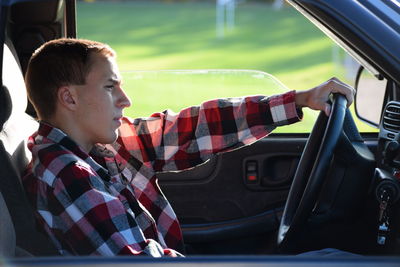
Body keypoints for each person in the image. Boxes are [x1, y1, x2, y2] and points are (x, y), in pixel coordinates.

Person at [22, 38, 355, 257]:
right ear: (69, 98)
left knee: (332, 258)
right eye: (111, 87)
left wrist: (300, 100)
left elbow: (193, 128)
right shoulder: (66, 174)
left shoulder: (105, 145)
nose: (126, 100)